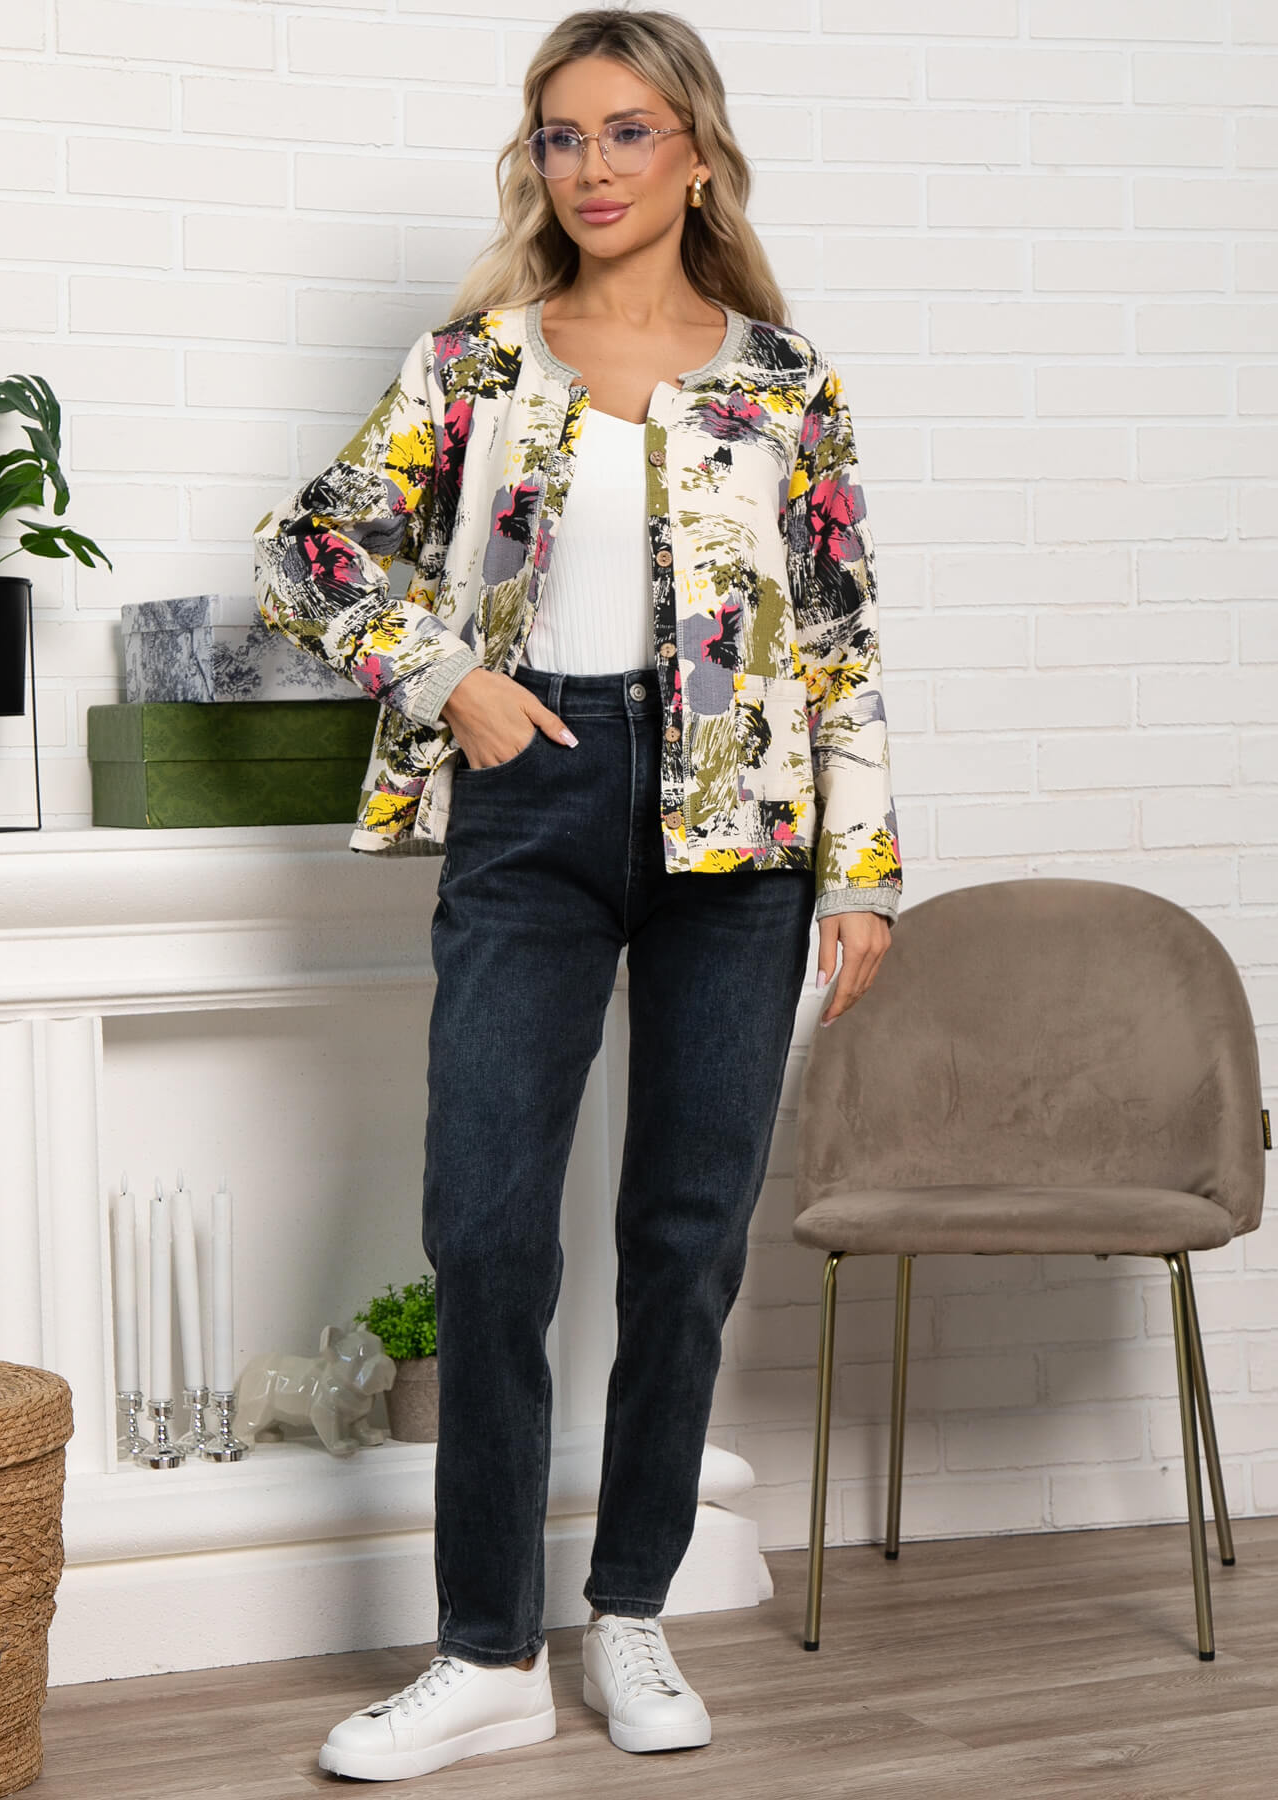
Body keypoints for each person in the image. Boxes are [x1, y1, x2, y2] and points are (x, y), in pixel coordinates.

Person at [254, 6, 901, 1783]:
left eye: (626, 131)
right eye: (562, 135)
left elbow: (839, 637)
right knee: (486, 1226)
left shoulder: (785, 382)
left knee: (687, 1236)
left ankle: (629, 1613)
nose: (593, 166)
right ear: (534, 161)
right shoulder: (475, 363)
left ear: (695, 154)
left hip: (741, 828)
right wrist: (447, 673)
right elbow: (311, 546)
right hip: (532, 792)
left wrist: (862, 870)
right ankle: (485, 1655)